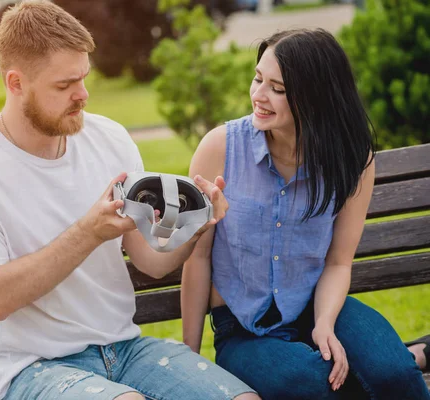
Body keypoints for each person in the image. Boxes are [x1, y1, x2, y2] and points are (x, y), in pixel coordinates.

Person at [0, 2, 260, 400]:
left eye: (84, 78)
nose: (83, 95)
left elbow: (151, 262)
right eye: (64, 85)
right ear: (15, 83)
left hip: (127, 349)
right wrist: (88, 233)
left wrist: (197, 223)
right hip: (35, 367)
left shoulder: (110, 139)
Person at [181, 28, 430, 399]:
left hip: (319, 304)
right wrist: (191, 360)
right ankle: (417, 354)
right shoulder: (220, 148)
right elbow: (197, 256)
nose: (258, 96)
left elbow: (338, 263)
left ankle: (404, 359)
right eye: (257, 78)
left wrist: (325, 323)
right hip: (243, 329)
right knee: (314, 386)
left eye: (277, 89)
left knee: (394, 375)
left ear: (316, 97)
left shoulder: (351, 158)